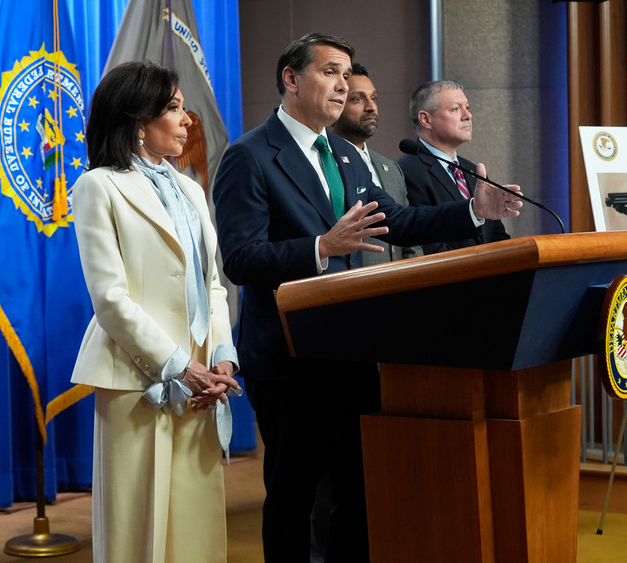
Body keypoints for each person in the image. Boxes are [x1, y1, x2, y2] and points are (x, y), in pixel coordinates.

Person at [211, 33, 521, 562]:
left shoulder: (346, 157)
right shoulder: (250, 156)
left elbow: (397, 221)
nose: (343, 84)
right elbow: (240, 260)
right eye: (330, 71)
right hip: (289, 360)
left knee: (357, 495)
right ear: (291, 79)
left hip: (349, 354)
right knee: (293, 498)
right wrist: (320, 248)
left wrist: (476, 211)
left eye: (346, 72)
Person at [71, 61, 242, 563]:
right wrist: (177, 365)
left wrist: (222, 358)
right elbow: (109, 297)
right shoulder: (98, 186)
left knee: (195, 528)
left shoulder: (190, 188)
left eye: (183, 106)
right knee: (137, 531)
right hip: (138, 379)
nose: (187, 119)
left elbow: (212, 283)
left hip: (203, 382)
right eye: (173, 108)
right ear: (137, 120)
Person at [397, 80, 510, 254]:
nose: (468, 116)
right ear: (426, 119)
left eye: (468, 107)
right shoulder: (407, 171)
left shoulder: (473, 171)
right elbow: (426, 243)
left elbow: (495, 235)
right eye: (456, 109)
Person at [330, 62, 422, 266]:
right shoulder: (326, 165)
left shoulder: (390, 168)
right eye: (358, 99)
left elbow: (408, 233)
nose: (371, 107)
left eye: (374, 98)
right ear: (336, 105)